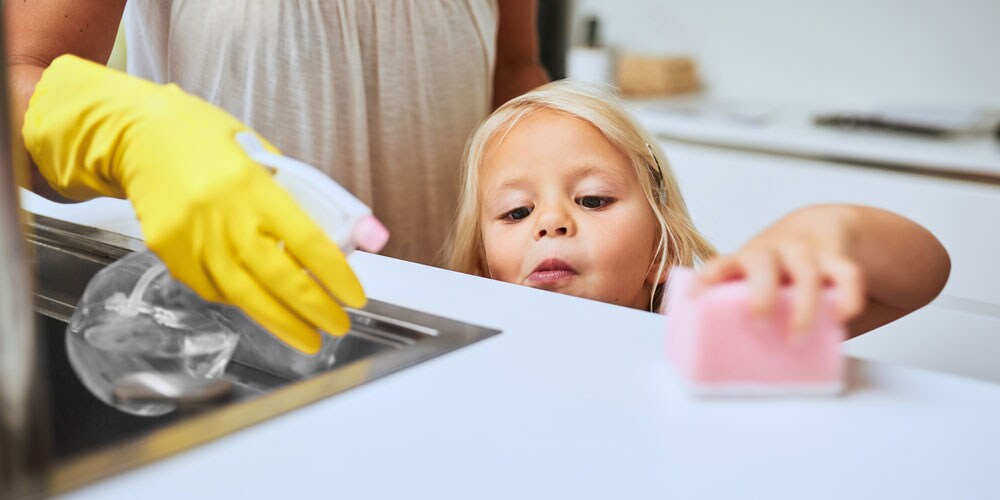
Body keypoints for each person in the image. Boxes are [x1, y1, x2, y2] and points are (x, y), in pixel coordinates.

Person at [6, 1, 549, 353]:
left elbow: (514, 69)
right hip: (227, 347)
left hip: (461, 341)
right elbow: (19, 72)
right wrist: (122, 132)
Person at [445, 80, 951, 337]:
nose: (551, 222)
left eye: (593, 199)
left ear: (659, 252)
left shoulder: (703, 324)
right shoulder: (467, 340)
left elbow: (924, 274)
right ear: (481, 267)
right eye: (516, 212)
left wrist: (826, 229)